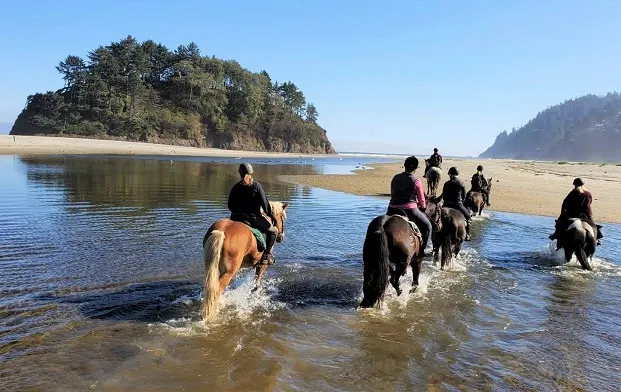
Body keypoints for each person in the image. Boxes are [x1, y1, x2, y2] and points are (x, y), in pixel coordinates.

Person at [228, 163, 279, 265]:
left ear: (239, 173)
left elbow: (230, 206)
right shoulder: (256, 186)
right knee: (274, 231)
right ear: (251, 173)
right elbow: (266, 205)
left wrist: (238, 211)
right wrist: (272, 216)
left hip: (236, 217)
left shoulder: (235, 187)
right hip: (252, 218)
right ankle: (266, 257)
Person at [387, 156, 432, 256]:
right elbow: (422, 201)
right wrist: (423, 207)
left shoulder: (395, 177)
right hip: (409, 210)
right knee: (428, 226)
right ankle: (421, 251)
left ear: (404, 165)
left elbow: (393, 193)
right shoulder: (416, 181)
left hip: (392, 209)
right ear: (415, 168)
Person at [549, 178, 603, 249]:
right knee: (594, 226)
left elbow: (564, 203)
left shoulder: (573, 192)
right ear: (583, 185)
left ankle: (556, 234)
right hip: (586, 214)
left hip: (573, 214)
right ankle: (597, 239)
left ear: (575, 185)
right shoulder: (588, 193)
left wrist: (562, 214)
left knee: (559, 224)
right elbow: (590, 203)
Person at [442, 167, 472, 241]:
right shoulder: (461, 183)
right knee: (468, 218)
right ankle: (467, 235)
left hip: (446, 204)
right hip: (458, 205)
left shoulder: (446, 183)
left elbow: (444, 195)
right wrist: (461, 202)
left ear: (450, 174)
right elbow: (464, 196)